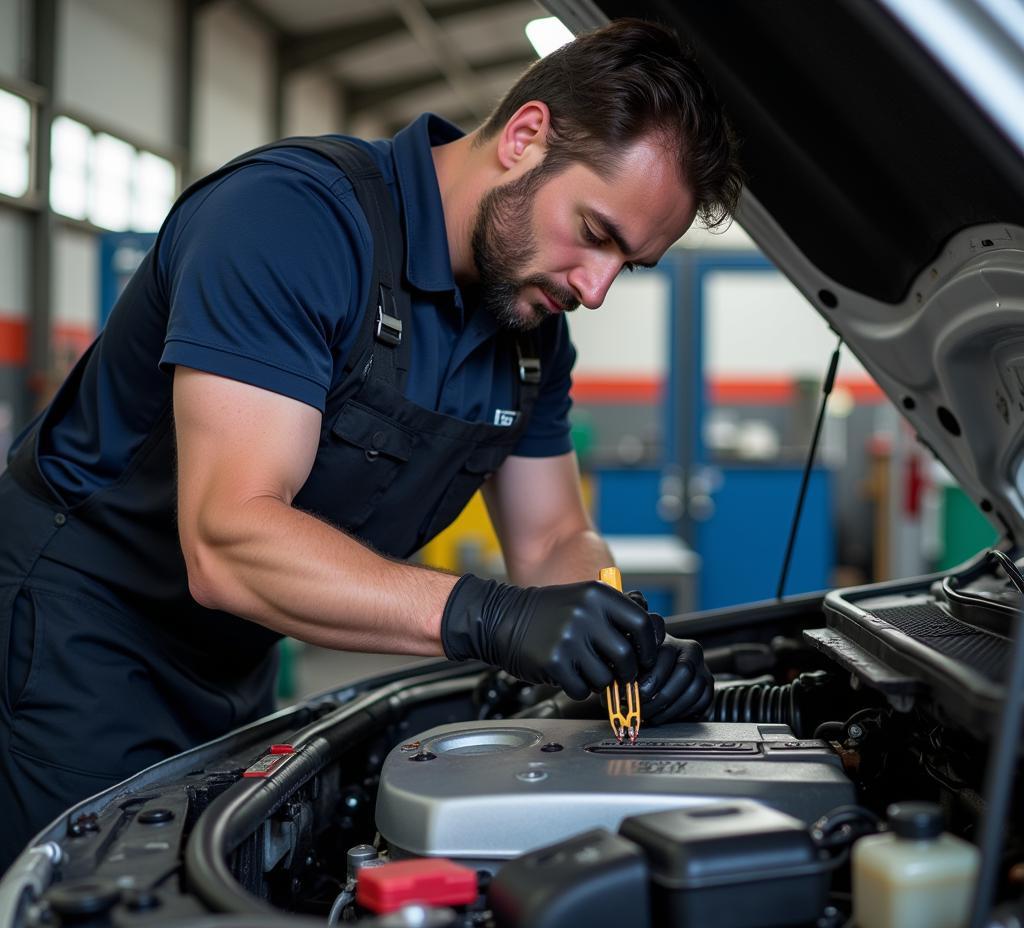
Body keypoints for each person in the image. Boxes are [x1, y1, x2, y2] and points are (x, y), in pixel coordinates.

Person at [0, 18, 741, 870]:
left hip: (234, 655)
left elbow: (550, 538)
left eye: (629, 265)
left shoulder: (530, 331)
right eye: (598, 233)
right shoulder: (293, 222)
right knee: (93, 925)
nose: (598, 289)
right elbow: (229, 539)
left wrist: (619, 643)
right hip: (76, 633)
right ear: (526, 137)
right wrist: (488, 616)